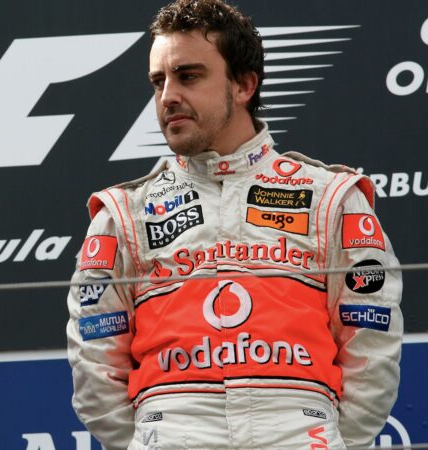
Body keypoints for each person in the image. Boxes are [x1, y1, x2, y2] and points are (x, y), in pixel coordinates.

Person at [66, 1, 403, 449]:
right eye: (158, 81)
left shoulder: (331, 198)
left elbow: (373, 342)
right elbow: (94, 364)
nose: (167, 96)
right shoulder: (124, 212)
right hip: (173, 428)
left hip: (299, 430)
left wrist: (325, 439)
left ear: (244, 85)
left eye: (188, 76)